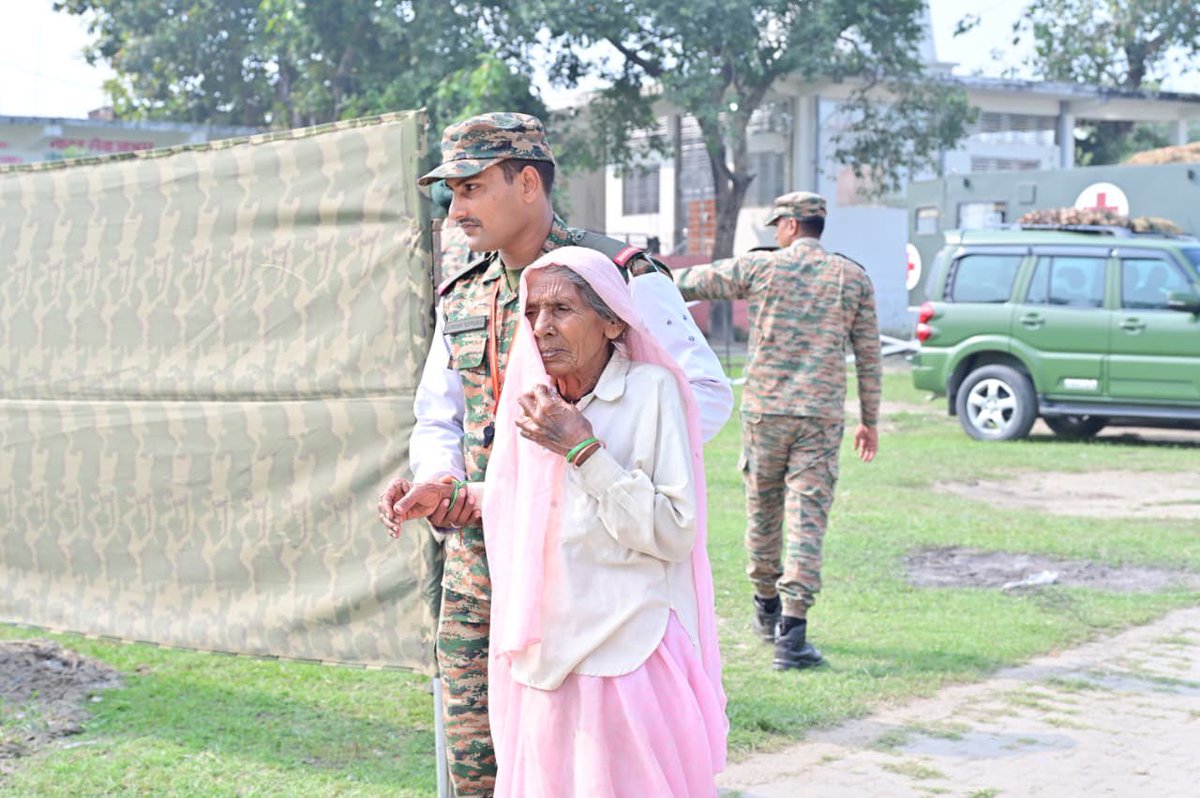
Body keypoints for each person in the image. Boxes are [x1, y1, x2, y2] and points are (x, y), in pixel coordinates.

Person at [377, 112, 733, 796]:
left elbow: (700, 395)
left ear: (529, 183)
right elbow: (437, 415)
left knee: (597, 761)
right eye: (452, 191)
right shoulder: (468, 292)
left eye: (473, 187)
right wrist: (443, 481)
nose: (456, 210)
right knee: (479, 754)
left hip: (593, 565)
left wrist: (597, 468)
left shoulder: (615, 277)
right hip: (485, 556)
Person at [674, 191, 881, 671]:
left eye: (776, 226)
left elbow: (694, 282)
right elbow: (869, 358)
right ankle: (793, 634)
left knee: (762, 509)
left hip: (766, 411)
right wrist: (870, 419)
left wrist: (631, 279)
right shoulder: (852, 278)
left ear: (789, 225)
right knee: (808, 518)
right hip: (819, 416)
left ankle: (765, 611)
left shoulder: (761, 269)